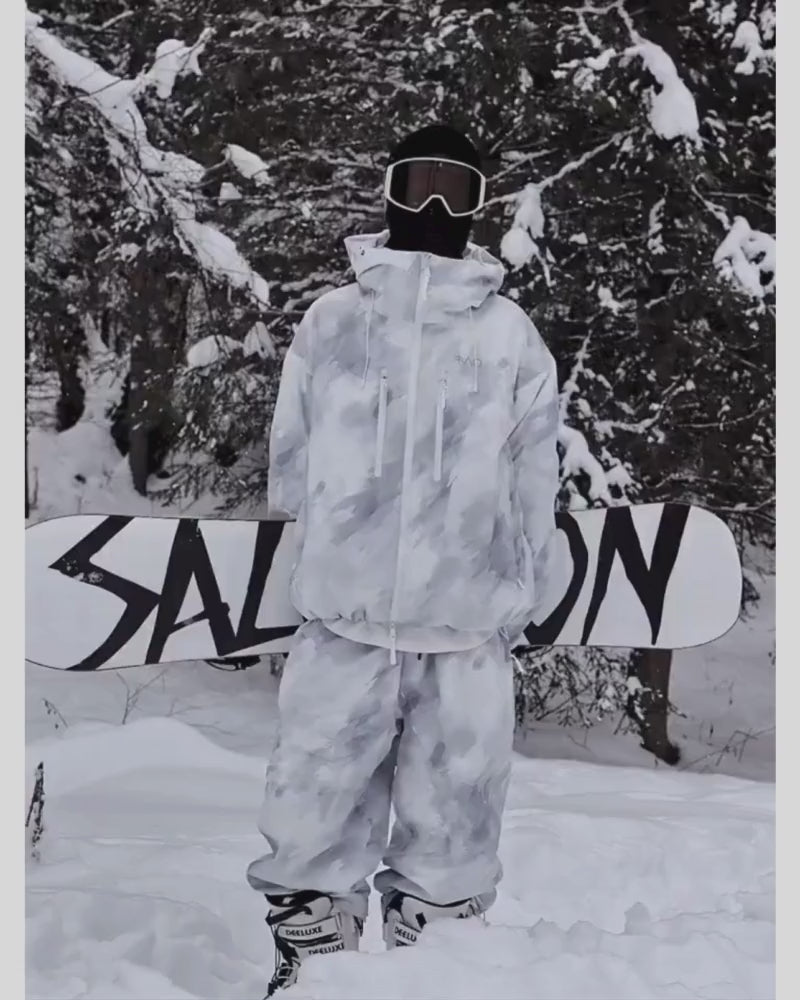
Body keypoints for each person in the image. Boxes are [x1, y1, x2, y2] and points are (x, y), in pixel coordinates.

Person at [247, 123, 562, 996]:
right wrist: (326, 550)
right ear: (388, 191)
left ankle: (440, 965)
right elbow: (291, 462)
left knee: (457, 820)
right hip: (344, 621)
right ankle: (313, 958)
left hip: (465, 629)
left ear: (479, 206)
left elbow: (536, 478)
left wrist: (523, 589)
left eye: (455, 189)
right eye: (417, 183)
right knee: (312, 801)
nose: (432, 206)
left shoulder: (510, 336)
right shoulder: (333, 320)